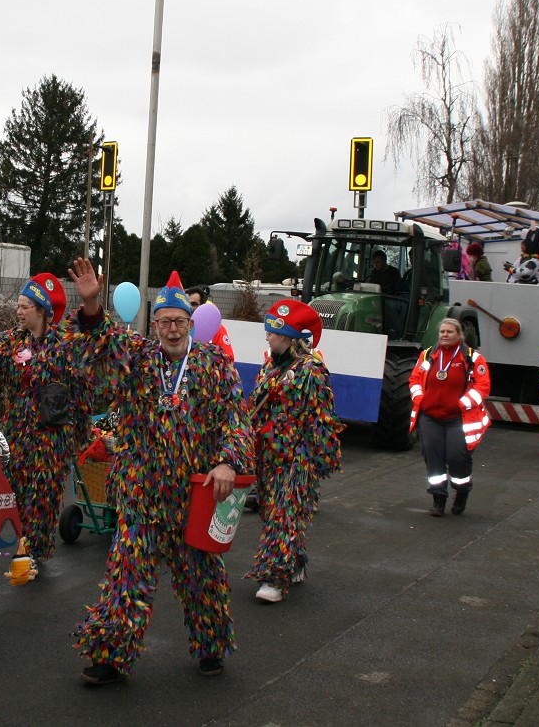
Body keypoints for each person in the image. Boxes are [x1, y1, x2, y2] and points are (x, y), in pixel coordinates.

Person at [66, 259, 253, 685]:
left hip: (194, 495)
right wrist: (92, 305)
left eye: (179, 321)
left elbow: (236, 421)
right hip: (141, 494)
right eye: (165, 322)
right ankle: (110, 656)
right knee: (126, 576)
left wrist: (228, 461)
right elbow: (100, 343)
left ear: (191, 323)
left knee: (202, 578)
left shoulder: (214, 364)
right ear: (154, 325)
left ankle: (211, 646)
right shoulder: (135, 357)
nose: (172, 329)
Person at [0, 273, 86, 564]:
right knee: (16, 491)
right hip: (18, 432)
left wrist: (77, 430)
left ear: (41, 310)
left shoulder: (66, 343)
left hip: (52, 435)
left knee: (43, 495)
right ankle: (23, 543)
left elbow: (82, 387)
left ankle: (32, 552)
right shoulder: (13, 340)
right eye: (18, 306)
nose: (19, 311)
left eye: (25, 306)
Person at [246, 300, 340, 602]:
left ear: (288, 337)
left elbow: (322, 419)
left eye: (272, 332)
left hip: (296, 459)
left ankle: (274, 578)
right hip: (267, 457)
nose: (267, 336)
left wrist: (320, 460)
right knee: (272, 512)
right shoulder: (270, 367)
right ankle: (295, 562)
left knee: (283, 515)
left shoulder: (312, 371)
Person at [409, 318, 492, 516]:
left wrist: (463, 403)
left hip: (458, 419)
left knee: (457, 458)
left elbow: (483, 386)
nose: (445, 335)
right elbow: (415, 379)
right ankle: (438, 499)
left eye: (449, 332)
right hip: (430, 417)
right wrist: (420, 397)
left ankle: (462, 491)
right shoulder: (427, 355)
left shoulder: (473, 358)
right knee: (433, 456)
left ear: (459, 335)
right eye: (442, 332)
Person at [187, 285, 235, 361]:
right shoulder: (177, 327)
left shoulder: (217, 328)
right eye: (187, 303)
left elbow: (229, 358)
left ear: (202, 306)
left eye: (194, 304)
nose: (189, 307)